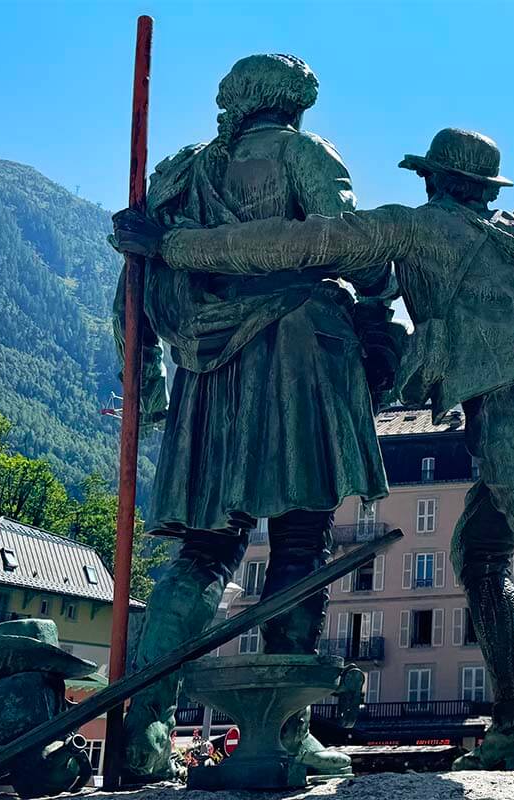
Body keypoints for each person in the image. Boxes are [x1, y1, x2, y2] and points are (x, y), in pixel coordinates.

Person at [112, 127, 514, 799]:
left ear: (432, 180)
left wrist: (173, 246)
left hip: (510, 395)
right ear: (485, 190)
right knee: (480, 556)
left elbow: (299, 244)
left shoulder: (413, 228)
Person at [112, 54, 401, 783]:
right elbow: (348, 247)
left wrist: (144, 368)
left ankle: (143, 725)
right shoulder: (307, 155)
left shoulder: (181, 174)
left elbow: (136, 276)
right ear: (290, 106)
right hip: (298, 355)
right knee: (300, 540)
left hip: (211, 369)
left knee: (205, 550)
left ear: (233, 103)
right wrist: (383, 284)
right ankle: (284, 729)